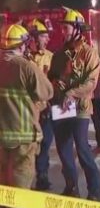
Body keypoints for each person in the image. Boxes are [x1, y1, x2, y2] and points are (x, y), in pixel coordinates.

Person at [48, 8, 100, 201]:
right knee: (63, 148)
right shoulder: (59, 55)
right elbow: (52, 77)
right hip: (61, 106)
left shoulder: (89, 54)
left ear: (78, 28)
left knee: (81, 147)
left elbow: (91, 83)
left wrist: (71, 92)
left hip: (80, 106)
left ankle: (95, 191)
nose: (63, 32)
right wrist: (55, 85)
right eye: (62, 28)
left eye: (67, 28)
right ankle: (71, 187)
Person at [0, 24, 54, 208]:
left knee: (3, 170)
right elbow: (47, 92)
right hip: (23, 132)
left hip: (2, 133)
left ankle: (4, 202)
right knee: (21, 171)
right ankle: (14, 205)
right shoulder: (25, 66)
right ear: (22, 45)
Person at [26, 19, 56, 191]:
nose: (47, 40)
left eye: (46, 36)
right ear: (33, 38)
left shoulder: (50, 57)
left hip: (45, 109)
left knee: (44, 144)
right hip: (28, 111)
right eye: (43, 36)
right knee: (30, 145)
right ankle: (26, 179)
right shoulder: (24, 59)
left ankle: (42, 175)